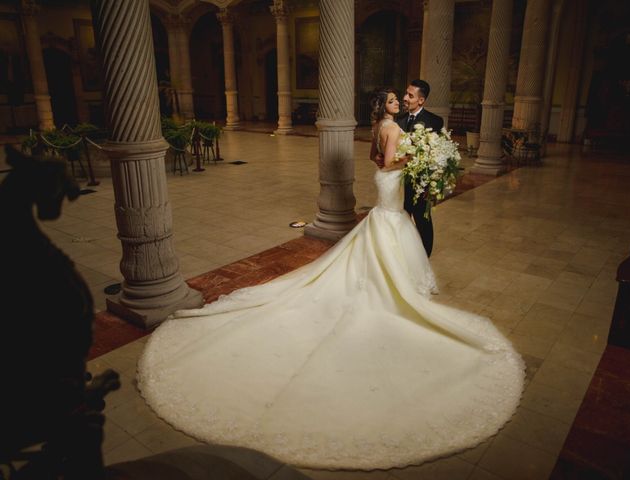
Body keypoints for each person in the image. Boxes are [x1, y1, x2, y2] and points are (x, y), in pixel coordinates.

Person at [137, 88, 524, 471]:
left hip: (388, 189)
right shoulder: (392, 128)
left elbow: (375, 158)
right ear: (387, 107)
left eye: (399, 98)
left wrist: (408, 159)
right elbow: (388, 163)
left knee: (390, 230)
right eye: (393, 99)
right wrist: (416, 157)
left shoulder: (380, 126)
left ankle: (390, 277)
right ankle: (391, 286)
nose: (398, 102)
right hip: (392, 185)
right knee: (391, 229)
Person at [374, 79, 443, 257]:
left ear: (421, 100)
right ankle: (401, 259)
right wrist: (378, 157)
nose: (404, 98)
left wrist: (433, 184)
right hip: (398, 182)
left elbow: (437, 156)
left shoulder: (434, 121)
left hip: (420, 183)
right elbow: (387, 148)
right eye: (405, 93)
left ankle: (424, 261)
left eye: (410, 96)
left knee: (423, 222)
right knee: (400, 223)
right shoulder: (398, 121)